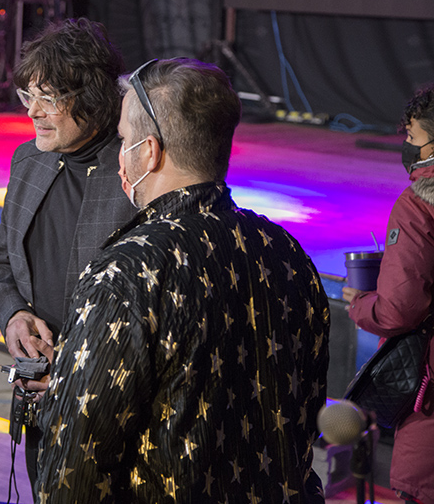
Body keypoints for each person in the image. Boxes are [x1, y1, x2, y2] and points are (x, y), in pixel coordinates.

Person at [30, 58, 330, 503]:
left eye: (124, 141)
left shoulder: (125, 272)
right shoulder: (287, 252)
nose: (121, 154)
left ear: (149, 152)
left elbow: (75, 469)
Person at [0, 17, 137, 490]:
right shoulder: (29, 160)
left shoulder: (136, 172)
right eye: (29, 97)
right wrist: (13, 316)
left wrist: (79, 368)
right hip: (40, 398)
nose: (33, 113)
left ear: (90, 96)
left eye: (49, 98)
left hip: (114, 404)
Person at [343, 85, 434, 504]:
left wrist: (360, 304)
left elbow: (398, 309)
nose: (407, 148)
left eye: (414, 139)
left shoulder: (418, 204)